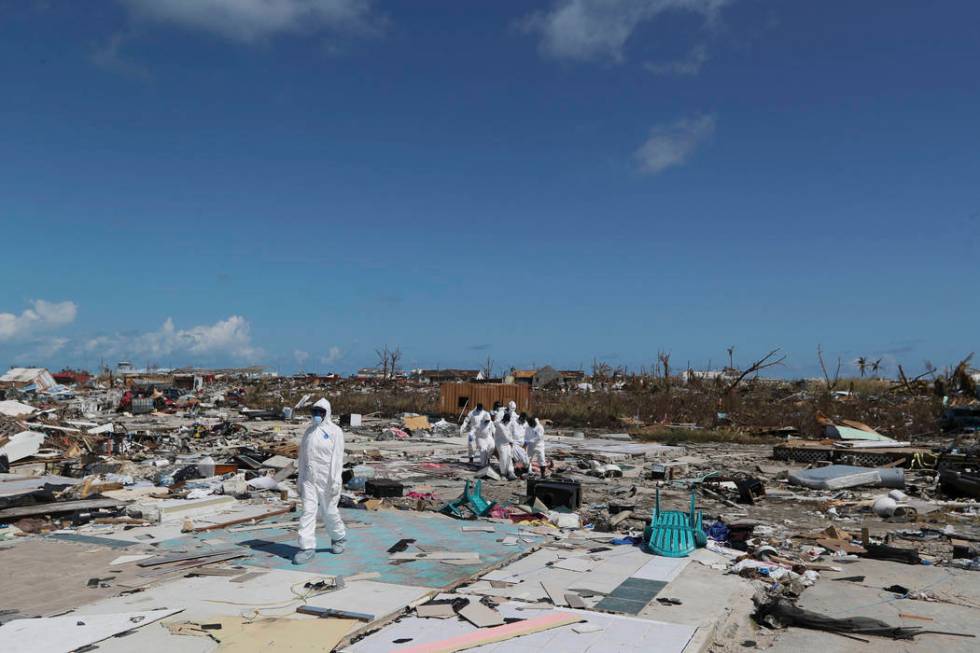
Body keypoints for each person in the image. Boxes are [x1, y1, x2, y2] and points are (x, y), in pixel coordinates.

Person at [293, 398, 346, 565]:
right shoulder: (309, 431)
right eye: (314, 412)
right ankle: (307, 548)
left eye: (320, 412)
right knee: (308, 512)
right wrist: (300, 480)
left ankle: (339, 538)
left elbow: (337, 458)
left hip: (328, 480)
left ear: (327, 413)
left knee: (329, 512)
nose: (317, 415)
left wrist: (336, 480)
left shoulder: (335, 431)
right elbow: (302, 457)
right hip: (309, 479)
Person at [493, 412, 517, 480]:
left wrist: (511, 441)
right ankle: (503, 473)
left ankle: (510, 472)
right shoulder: (500, 425)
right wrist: (512, 442)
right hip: (500, 444)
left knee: (509, 457)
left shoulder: (507, 424)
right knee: (503, 458)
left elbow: (510, 434)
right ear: (505, 419)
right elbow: (506, 436)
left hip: (507, 443)